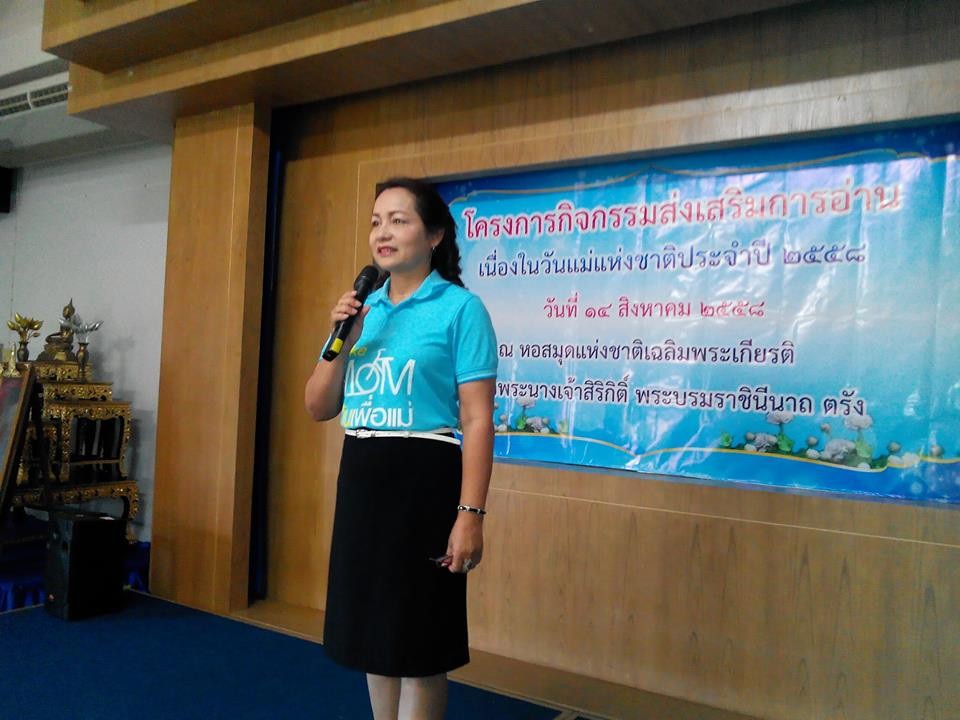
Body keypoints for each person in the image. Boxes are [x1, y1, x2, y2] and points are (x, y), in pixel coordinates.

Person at [304, 177, 498, 720]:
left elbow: (477, 419)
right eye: (375, 222)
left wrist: (470, 514)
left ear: (434, 235)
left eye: (398, 220)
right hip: (362, 476)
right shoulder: (361, 311)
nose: (382, 233)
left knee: (418, 643)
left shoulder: (461, 309)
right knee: (375, 636)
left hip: (424, 482)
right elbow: (317, 405)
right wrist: (342, 338)